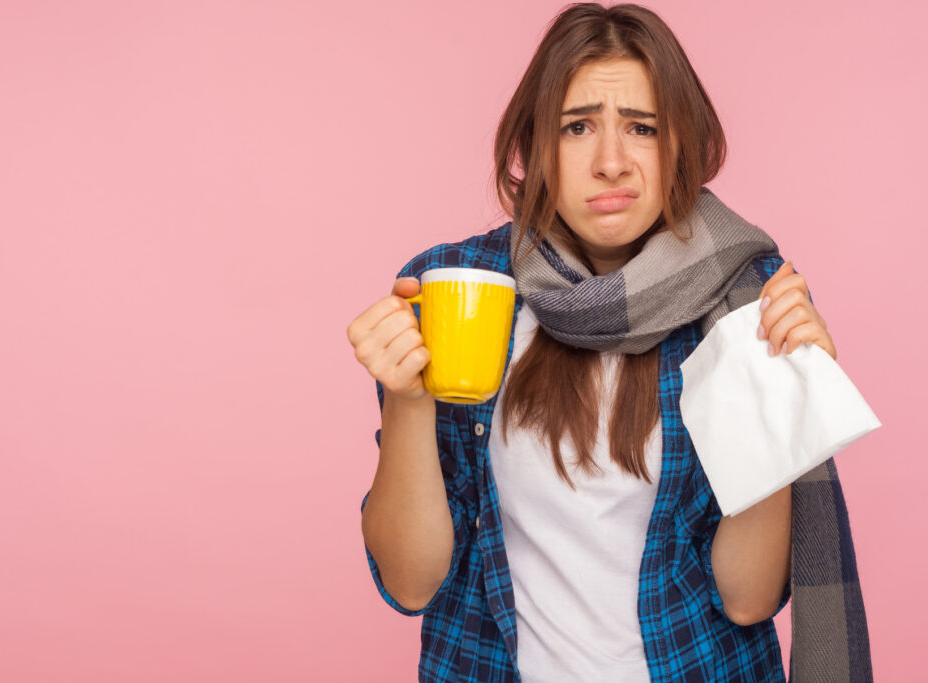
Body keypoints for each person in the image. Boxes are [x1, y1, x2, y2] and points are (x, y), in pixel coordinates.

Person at [346, 3, 871, 682]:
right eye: (578, 126)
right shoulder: (458, 292)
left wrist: (780, 404)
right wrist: (407, 401)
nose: (611, 162)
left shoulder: (743, 296)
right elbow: (412, 582)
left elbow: (746, 598)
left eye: (642, 128)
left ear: (678, 145)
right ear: (535, 147)